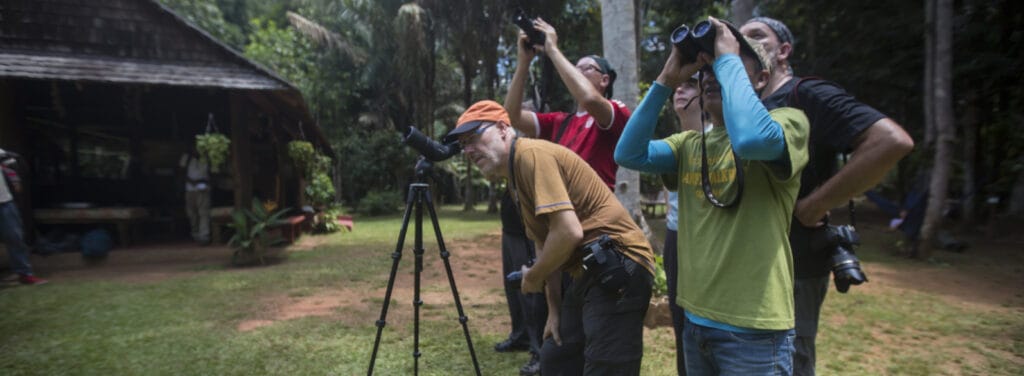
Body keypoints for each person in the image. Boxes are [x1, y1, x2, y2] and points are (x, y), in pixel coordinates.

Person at [615, 17, 809, 375]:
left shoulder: (789, 122)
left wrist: (726, 58)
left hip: (754, 328)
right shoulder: (690, 145)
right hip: (696, 320)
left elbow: (750, 140)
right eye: (705, 70)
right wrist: (665, 81)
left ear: (761, 78)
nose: (708, 76)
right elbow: (627, 154)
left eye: (728, 63)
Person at [740, 16, 915, 376]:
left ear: (784, 50)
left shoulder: (807, 94)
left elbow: (890, 141)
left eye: (758, 36)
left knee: (788, 359)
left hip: (798, 262)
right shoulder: (745, 110)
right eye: (740, 40)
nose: (747, 45)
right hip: (751, 265)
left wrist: (815, 204)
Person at [446, 100, 656, 375]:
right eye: (463, 145)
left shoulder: (531, 154)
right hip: (587, 269)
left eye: (473, 138)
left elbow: (568, 232)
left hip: (620, 265)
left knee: (605, 367)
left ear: (502, 128)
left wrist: (533, 275)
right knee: (556, 358)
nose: (469, 150)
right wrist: (554, 311)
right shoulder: (515, 179)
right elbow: (545, 243)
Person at [504, 17, 629, 189]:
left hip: (595, 211)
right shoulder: (560, 121)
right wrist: (523, 62)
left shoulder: (616, 111)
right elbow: (512, 116)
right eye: (576, 68)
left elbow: (589, 99)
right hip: (563, 211)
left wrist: (552, 49)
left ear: (604, 80)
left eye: (587, 68)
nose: (578, 72)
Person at [661, 74, 705, 376]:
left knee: (703, 326)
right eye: (677, 84)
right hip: (675, 237)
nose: (679, 88)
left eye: (689, 84)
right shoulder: (673, 143)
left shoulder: (720, 136)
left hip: (706, 238)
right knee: (681, 325)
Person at [496, 189, 546, 376]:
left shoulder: (528, 161)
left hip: (526, 229)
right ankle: (520, 336)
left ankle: (539, 351)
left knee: (530, 290)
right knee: (513, 288)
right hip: (509, 227)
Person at [0, 149, 47, 285]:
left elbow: (11, 163)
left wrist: (15, 179)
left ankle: (24, 274)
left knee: (15, 238)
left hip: (4, 201)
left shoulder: (2, 154)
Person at [179, 147, 211, 245]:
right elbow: (180, 171)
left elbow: (213, 173)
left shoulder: (208, 158)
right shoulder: (187, 158)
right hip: (190, 189)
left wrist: (203, 181)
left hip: (203, 189)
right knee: (191, 213)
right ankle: (195, 233)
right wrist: (191, 181)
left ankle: (204, 235)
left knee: (203, 212)